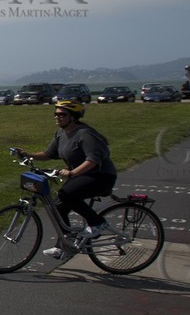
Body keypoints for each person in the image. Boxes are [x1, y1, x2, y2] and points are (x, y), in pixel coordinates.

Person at [14, 99, 118, 260]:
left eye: (62, 115)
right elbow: (48, 154)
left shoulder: (85, 134)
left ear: (73, 117)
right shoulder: (61, 134)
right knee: (57, 206)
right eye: (56, 114)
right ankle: (66, 244)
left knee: (67, 195)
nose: (57, 117)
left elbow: (93, 159)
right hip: (81, 176)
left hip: (100, 176)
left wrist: (72, 173)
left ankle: (97, 222)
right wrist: (28, 154)